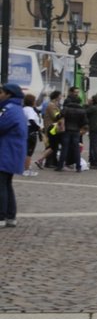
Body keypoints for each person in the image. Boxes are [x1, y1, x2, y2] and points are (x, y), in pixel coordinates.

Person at [0, 83, 26, 227]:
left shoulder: (10, 109)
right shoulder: (16, 109)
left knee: (2, 185)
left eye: (1, 93)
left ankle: (2, 216)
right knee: (6, 185)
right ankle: (10, 216)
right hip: (10, 152)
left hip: (6, 152)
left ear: (8, 94)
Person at [60, 89, 87, 172]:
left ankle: (60, 165)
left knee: (64, 148)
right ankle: (78, 167)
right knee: (76, 149)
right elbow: (85, 122)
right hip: (76, 131)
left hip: (67, 130)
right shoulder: (82, 110)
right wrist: (80, 127)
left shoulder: (66, 108)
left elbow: (59, 116)